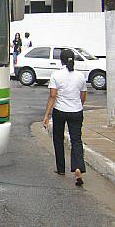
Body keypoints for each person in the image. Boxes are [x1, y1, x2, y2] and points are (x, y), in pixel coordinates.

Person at [42, 48, 87, 186]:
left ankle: (61, 168)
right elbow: (83, 96)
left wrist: (46, 115)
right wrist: (77, 106)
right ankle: (78, 168)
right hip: (76, 111)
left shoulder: (56, 75)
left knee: (58, 139)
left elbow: (53, 95)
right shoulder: (80, 76)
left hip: (60, 111)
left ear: (60, 60)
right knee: (76, 140)